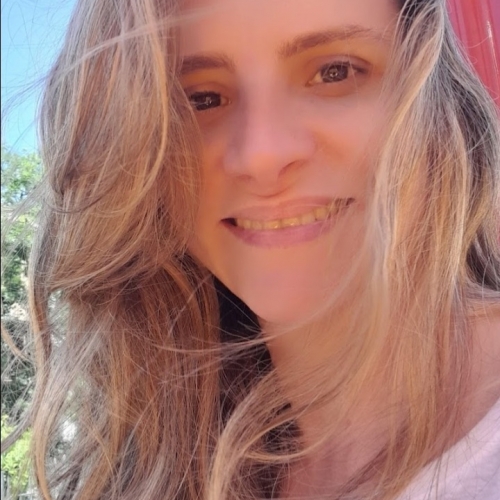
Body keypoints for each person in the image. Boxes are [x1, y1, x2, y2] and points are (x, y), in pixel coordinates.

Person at [6, 0, 499, 498]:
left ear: (436, 93)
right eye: (201, 99)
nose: (262, 156)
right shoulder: (161, 459)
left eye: (335, 71)